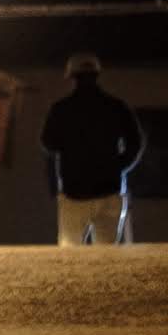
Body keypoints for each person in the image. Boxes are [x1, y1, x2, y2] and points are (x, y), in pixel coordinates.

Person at [41, 53, 144, 245]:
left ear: (72, 77)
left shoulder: (61, 109)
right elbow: (136, 142)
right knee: (106, 257)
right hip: (109, 189)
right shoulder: (116, 106)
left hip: (74, 191)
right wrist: (119, 166)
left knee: (70, 255)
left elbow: (48, 143)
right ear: (97, 75)